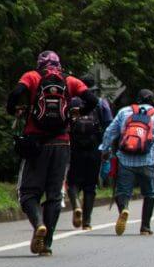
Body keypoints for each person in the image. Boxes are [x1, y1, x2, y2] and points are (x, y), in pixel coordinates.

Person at [7, 51, 98, 255]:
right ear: (59, 65)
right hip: (62, 143)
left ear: (40, 64)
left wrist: (13, 109)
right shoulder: (70, 81)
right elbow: (92, 100)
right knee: (54, 195)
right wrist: (78, 112)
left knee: (28, 193)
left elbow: (15, 94)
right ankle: (47, 244)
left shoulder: (32, 76)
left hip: (36, 143)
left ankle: (39, 223)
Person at [100, 89, 154, 236]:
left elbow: (110, 131)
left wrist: (105, 149)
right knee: (149, 193)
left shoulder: (124, 112)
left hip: (125, 159)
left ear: (137, 99)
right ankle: (145, 227)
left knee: (122, 191)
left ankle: (124, 208)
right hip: (148, 160)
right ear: (152, 100)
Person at [66, 96, 104, 230]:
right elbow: (108, 124)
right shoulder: (99, 103)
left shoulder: (71, 102)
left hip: (75, 150)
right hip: (94, 150)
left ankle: (76, 204)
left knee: (72, 183)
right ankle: (86, 222)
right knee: (90, 186)